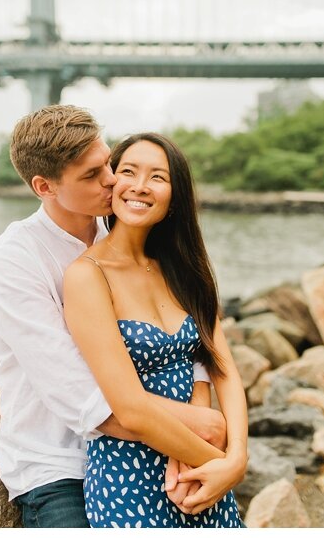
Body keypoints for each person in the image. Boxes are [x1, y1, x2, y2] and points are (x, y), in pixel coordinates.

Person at [0, 107, 231, 527]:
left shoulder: (123, 234)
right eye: (91, 175)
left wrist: (188, 437)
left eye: (108, 164)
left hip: (147, 445)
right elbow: (82, 399)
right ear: (44, 186)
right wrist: (204, 437)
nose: (113, 181)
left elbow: (186, 343)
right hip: (57, 464)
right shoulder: (17, 259)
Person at [62, 132, 247, 527]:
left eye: (158, 177)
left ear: (174, 197)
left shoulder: (186, 271)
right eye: (128, 171)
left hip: (199, 469)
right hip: (129, 473)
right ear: (112, 181)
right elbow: (130, 408)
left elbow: (222, 370)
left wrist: (239, 455)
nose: (140, 187)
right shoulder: (86, 276)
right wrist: (222, 465)